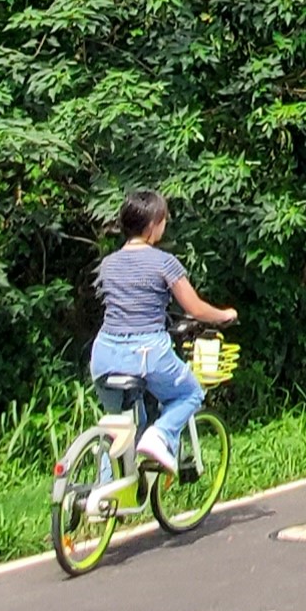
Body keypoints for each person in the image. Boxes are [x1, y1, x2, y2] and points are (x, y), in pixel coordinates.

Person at [92, 189, 237, 475]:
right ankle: (160, 438)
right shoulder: (163, 262)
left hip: (104, 356)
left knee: (122, 422)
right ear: (153, 224)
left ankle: (103, 494)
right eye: (164, 219)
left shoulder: (107, 264)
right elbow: (195, 308)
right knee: (190, 393)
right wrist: (225, 315)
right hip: (147, 353)